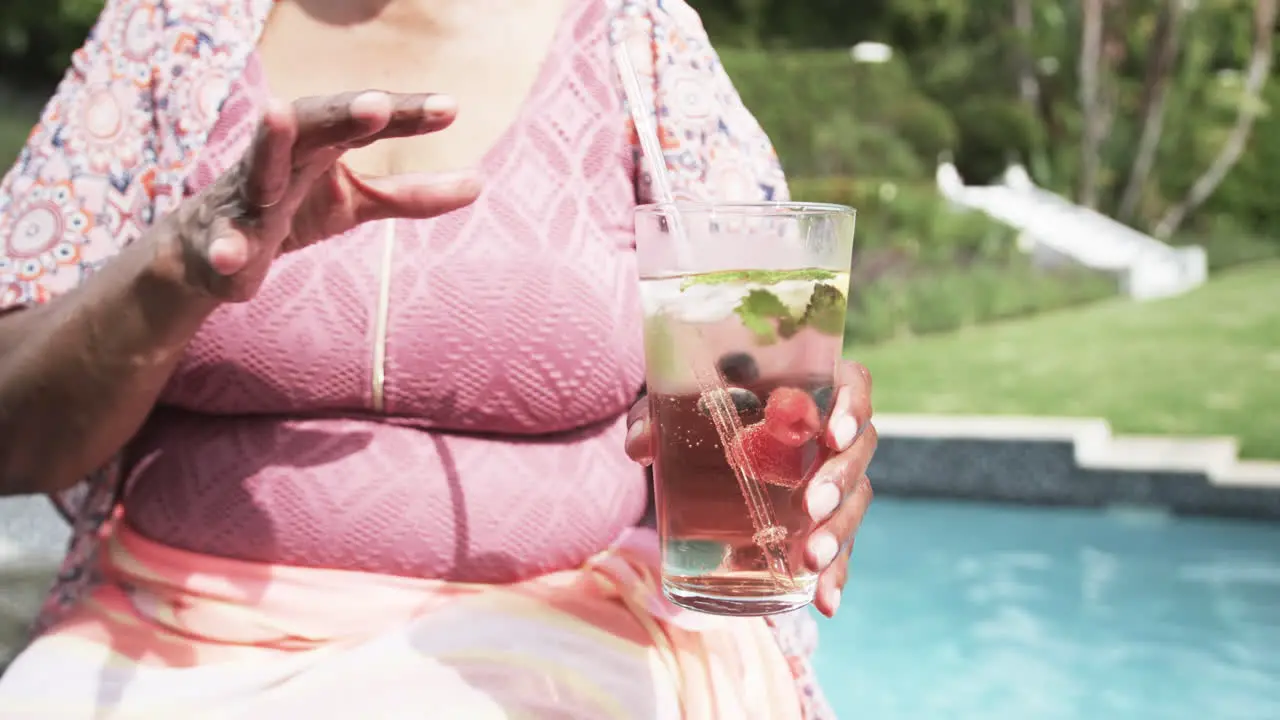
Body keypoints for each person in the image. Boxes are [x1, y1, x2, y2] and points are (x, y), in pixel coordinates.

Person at [0, 0, 877, 716]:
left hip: (562, 646)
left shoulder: (641, 43)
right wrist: (174, 265)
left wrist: (815, 432)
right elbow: (14, 434)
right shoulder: (167, 31)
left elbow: (763, 353)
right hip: (166, 645)